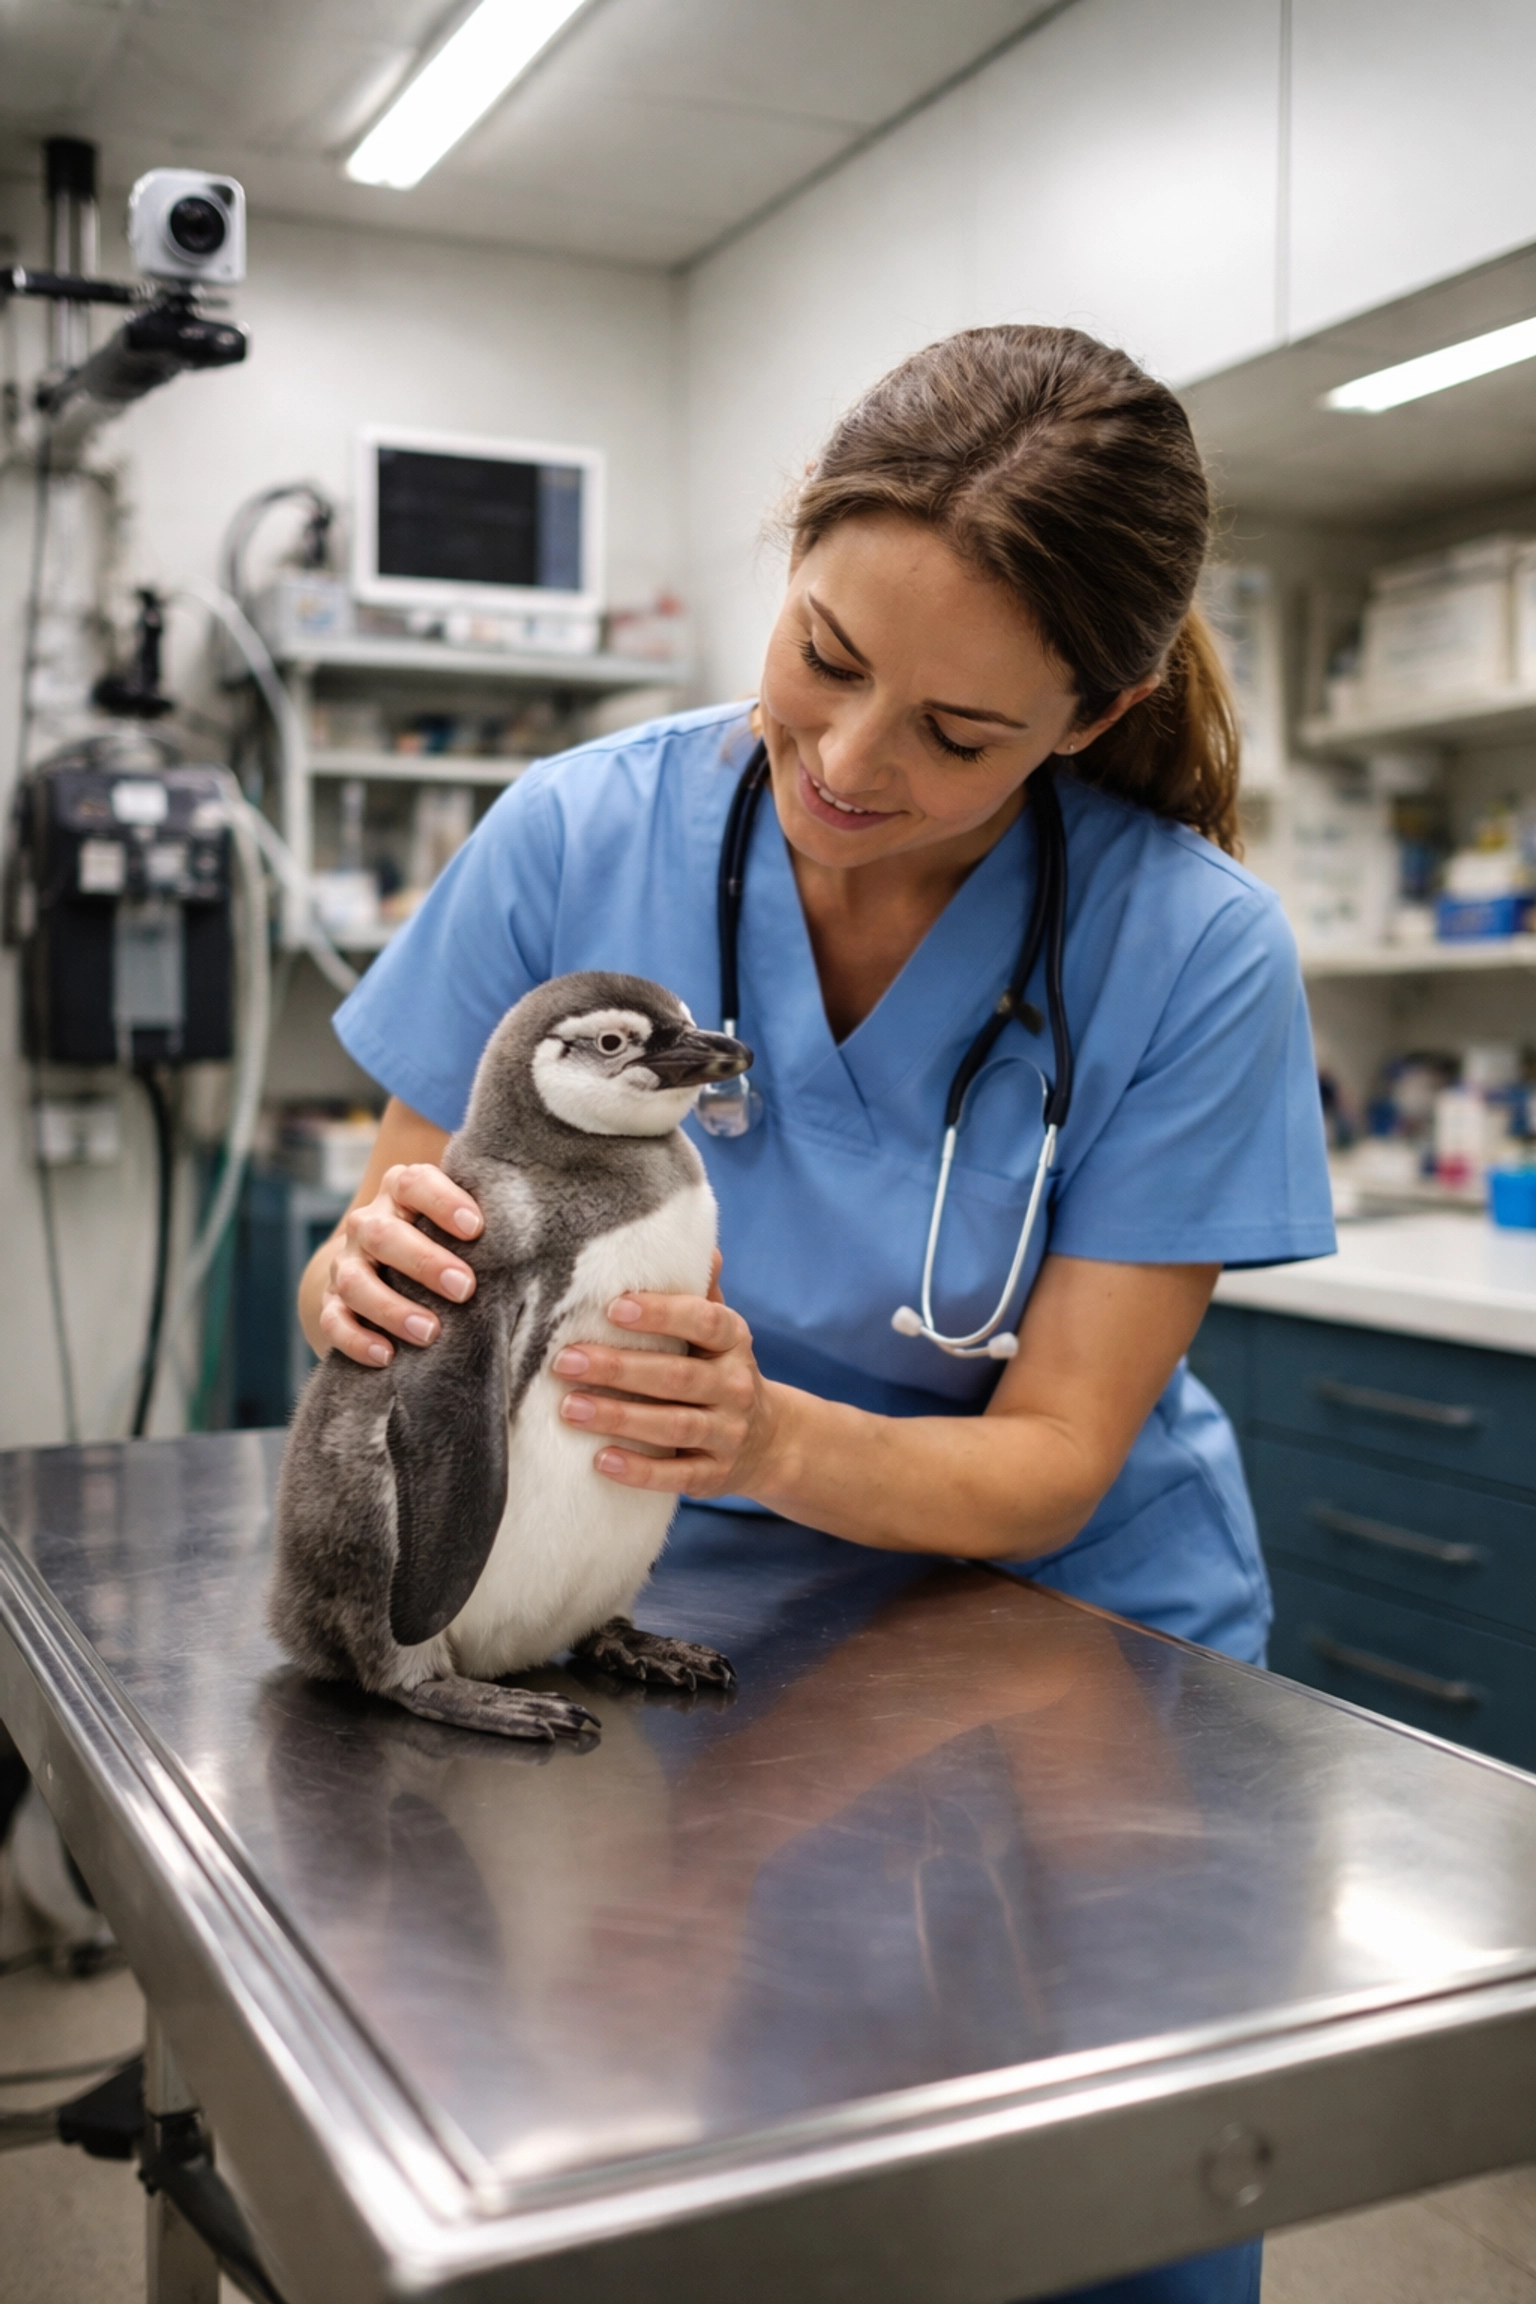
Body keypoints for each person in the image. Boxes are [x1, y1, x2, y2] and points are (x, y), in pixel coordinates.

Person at [299, 325, 1332, 2304]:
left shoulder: (1188, 949)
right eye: (826, 658)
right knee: (684, 2187)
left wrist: (768, 1435)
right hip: (664, 1610)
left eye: (959, 734)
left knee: (1073, 2225)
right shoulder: (578, 834)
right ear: (793, 562)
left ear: (1090, 711)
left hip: (1060, 1661)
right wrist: (368, 1281)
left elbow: (1051, 1457)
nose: (852, 767)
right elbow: (412, 1236)